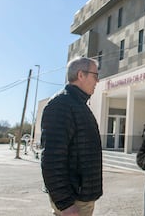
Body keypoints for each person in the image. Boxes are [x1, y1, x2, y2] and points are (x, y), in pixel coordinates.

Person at [41, 57, 102, 216]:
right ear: (81, 75)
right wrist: (65, 203)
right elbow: (52, 158)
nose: (98, 81)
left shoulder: (78, 105)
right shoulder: (61, 105)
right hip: (73, 201)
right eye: (95, 76)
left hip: (81, 197)